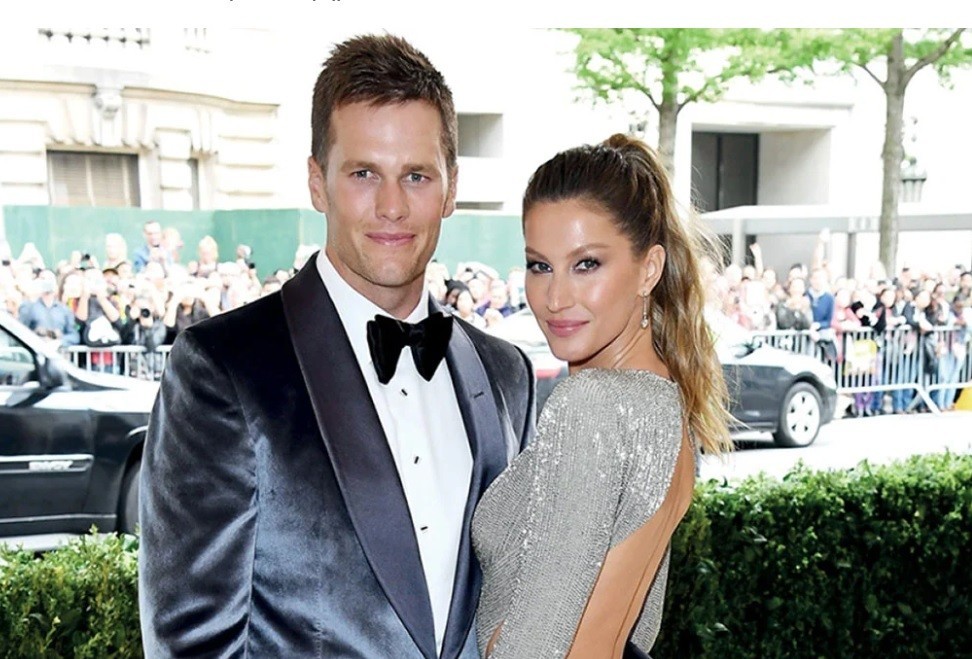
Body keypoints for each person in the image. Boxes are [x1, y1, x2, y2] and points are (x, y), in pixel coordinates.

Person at [139, 34, 535, 659]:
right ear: (317, 182)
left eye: (416, 175)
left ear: (451, 188)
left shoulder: (506, 373)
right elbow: (190, 641)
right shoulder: (222, 369)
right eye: (363, 174)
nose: (392, 206)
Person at [472, 135, 733, 658]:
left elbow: (531, 650)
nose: (555, 297)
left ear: (649, 269)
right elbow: (639, 628)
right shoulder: (667, 406)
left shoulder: (589, 406)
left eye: (586, 264)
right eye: (540, 265)